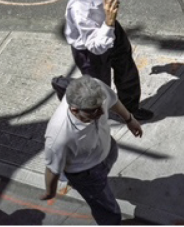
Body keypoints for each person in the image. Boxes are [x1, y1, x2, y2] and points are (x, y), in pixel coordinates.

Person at [41, 76, 143, 225]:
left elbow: (113, 101)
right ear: (75, 110)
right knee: (107, 208)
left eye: (101, 106)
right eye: (93, 112)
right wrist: (50, 191)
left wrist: (129, 119)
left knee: (107, 167)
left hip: (105, 149)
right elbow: (51, 169)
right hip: (86, 173)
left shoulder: (96, 89)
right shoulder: (59, 136)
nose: (102, 112)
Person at [65, 0, 154, 122]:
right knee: (100, 88)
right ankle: (96, 119)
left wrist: (110, 24)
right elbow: (95, 47)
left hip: (111, 30)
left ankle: (130, 109)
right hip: (90, 50)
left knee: (127, 70)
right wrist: (109, 21)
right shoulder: (80, 8)